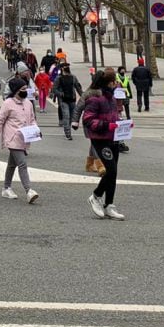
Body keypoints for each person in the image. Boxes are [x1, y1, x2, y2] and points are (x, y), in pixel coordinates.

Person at [81, 70, 125, 220]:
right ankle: (96, 195)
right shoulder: (95, 99)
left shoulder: (111, 99)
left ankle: (109, 205)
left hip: (113, 138)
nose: (117, 84)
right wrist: (107, 125)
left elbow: (114, 117)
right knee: (110, 170)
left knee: (114, 172)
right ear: (110, 83)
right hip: (100, 139)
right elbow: (88, 120)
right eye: (115, 81)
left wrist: (122, 124)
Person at [0, 84, 40, 203]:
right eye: (22, 89)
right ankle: (29, 191)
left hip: (25, 138)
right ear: (15, 90)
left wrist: (36, 130)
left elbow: (32, 119)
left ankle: (6, 188)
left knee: (12, 164)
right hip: (12, 137)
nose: (25, 91)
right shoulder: (8, 103)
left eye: (25, 89)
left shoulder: (28, 103)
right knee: (22, 163)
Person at [55, 63, 84, 142]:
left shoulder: (73, 77)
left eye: (67, 66)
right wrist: (60, 94)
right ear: (62, 69)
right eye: (65, 67)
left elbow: (78, 87)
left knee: (72, 117)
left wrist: (83, 96)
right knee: (66, 116)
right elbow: (54, 89)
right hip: (64, 100)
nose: (66, 68)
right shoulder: (59, 78)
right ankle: (68, 133)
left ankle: (69, 128)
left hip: (72, 99)